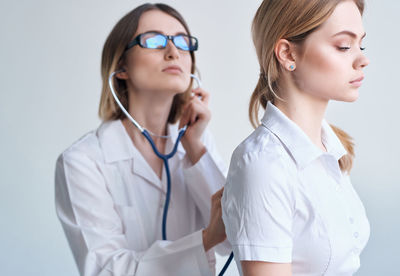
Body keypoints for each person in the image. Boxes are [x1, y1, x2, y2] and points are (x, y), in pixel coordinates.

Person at [55, 3, 229, 276]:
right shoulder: (83, 162)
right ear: (121, 66)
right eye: (155, 41)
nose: (173, 52)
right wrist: (204, 240)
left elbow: (235, 239)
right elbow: (106, 270)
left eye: (183, 43)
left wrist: (196, 150)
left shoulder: (196, 144)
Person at [222, 0, 370, 275]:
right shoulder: (262, 165)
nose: (362, 59)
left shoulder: (331, 150)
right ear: (288, 54)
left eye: (361, 44)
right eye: (343, 46)